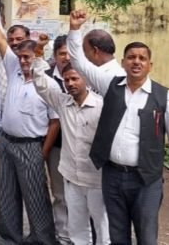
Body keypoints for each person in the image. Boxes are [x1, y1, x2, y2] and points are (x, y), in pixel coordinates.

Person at [67, 10, 169, 244]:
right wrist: (74, 29)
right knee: (117, 236)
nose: (136, 62)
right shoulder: (110, 85)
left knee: (146, 236)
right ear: (123, 62)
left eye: (142, 58)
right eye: (131, 57)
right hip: (112, 176)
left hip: (146, 180)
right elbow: (79, 63)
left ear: (150, 65)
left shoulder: (166, 97)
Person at [0, 0, 58, 245]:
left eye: (27, 57)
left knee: (35, 197)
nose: (23, 61)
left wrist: (43, 152)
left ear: (37, 58)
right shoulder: (13, 67)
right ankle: (9, 238)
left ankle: (42, 239)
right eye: (20, 57)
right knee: (6, 193)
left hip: (31, 146)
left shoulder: (46, 81)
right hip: (6, 142)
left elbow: (54, 122)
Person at [32, 62, 110, 245]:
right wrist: (38, 58)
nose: (70, 83)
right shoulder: (63, 102)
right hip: (71, 177)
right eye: (67, 80)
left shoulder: (101, 106)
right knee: (76, 226)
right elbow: (41, 84)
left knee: (102, 226)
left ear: (86, 80)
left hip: (96, 179)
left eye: (75, 78)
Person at [46, 35, 71, 245]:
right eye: (62, 53)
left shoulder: (85, 77)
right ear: (55, 55)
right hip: (56, 146)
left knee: (83, 195)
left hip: (81, 148)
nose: (67, 57)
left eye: (70, 53)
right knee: (60, 193)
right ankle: (63, 235)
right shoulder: (46, 78)